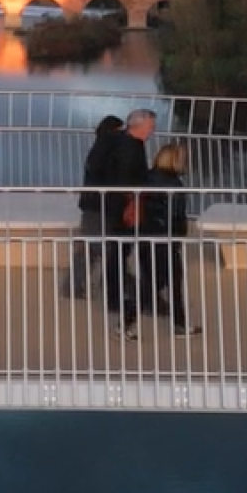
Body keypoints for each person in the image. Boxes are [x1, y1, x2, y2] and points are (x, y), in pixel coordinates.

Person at [102, 108, 157, 341]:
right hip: (125, 210)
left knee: (120, 252)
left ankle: (118, 297)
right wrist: (135, 198)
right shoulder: (129, 147)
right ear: (139, 126)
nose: (153, 130)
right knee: (121, 252)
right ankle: (121, 299)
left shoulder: (128, 143)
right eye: (151, 126)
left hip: (122, 208)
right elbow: (125, 180)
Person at [137, 143, 202, 337]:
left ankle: (178, 323)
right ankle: (178, 324)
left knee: (158, 282)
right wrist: (180, 235)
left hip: (146, 235)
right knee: (167, 282)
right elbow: (176, 215)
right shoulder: (173, 184)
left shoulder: (147, 177)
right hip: (165, 238)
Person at [61, 115, 124, 299]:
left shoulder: (98, 149)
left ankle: (75, 286)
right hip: (100, 206)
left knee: (90, 247)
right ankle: (95, 285)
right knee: (99, 248)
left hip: (92, 205)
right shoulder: (109, 151)